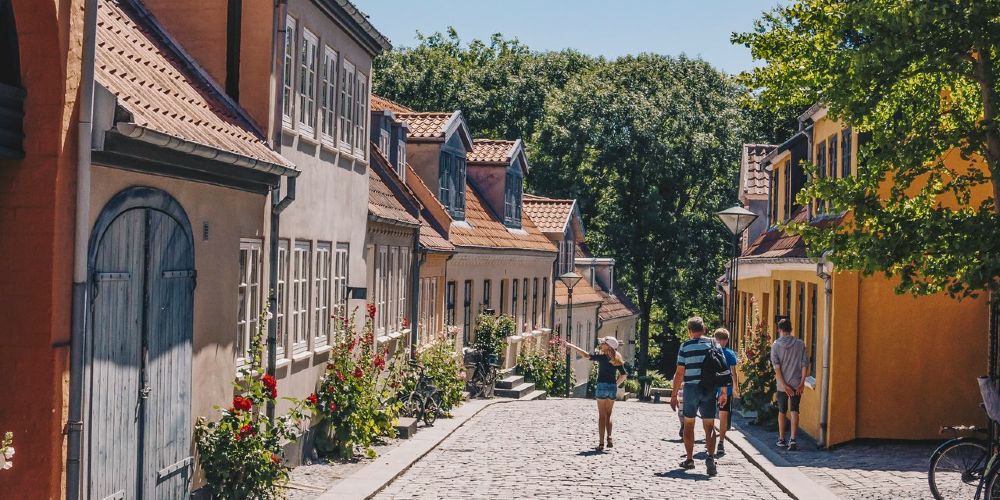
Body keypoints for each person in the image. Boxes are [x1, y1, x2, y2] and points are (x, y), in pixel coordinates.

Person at [670, 317, 725, 476]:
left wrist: (674, 395)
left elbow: (680, 373)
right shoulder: (714, 344)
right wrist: (722, 392)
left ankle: (689, 459)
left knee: (689, 424)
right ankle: (710, 457)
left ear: (689, 331)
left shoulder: (685, 347)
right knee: (709, 425)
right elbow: (721, 368)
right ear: (704, 328)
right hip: (709, 388)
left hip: (691, 389)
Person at [565, 336, 628, 451]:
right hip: (612, 388)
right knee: (609, 415)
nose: (601, 344)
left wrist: (572, 346)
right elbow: (623, 375)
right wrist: (615, 385)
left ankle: (601, 444)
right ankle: (609, 437)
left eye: (603, 343)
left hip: (602, 387)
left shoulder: (602, 357)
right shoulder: (617, 359)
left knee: (601, 416)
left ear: (608, 346)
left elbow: (585, 355)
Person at [771, 318, 807, 451]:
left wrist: (784, 384)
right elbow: (804, 364)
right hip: (797, 382)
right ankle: (793, 439)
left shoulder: (775, 345)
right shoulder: (800, 344)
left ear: (779, 329)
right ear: (791, 329)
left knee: (781, 411)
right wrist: (802, 382)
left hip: (782, 385)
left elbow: (777, 367)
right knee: (795, 410)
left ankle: (781, 438)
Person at [713, 328, 739, 457]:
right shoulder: (730, 353)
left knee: (710, 415)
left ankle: (710, 437)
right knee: (723, 415)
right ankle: (721, 442)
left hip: (712, 387)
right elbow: (733, 372)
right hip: (726, 389)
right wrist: (735, 387)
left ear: (715, 339)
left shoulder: (711, 352)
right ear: (727, 340)